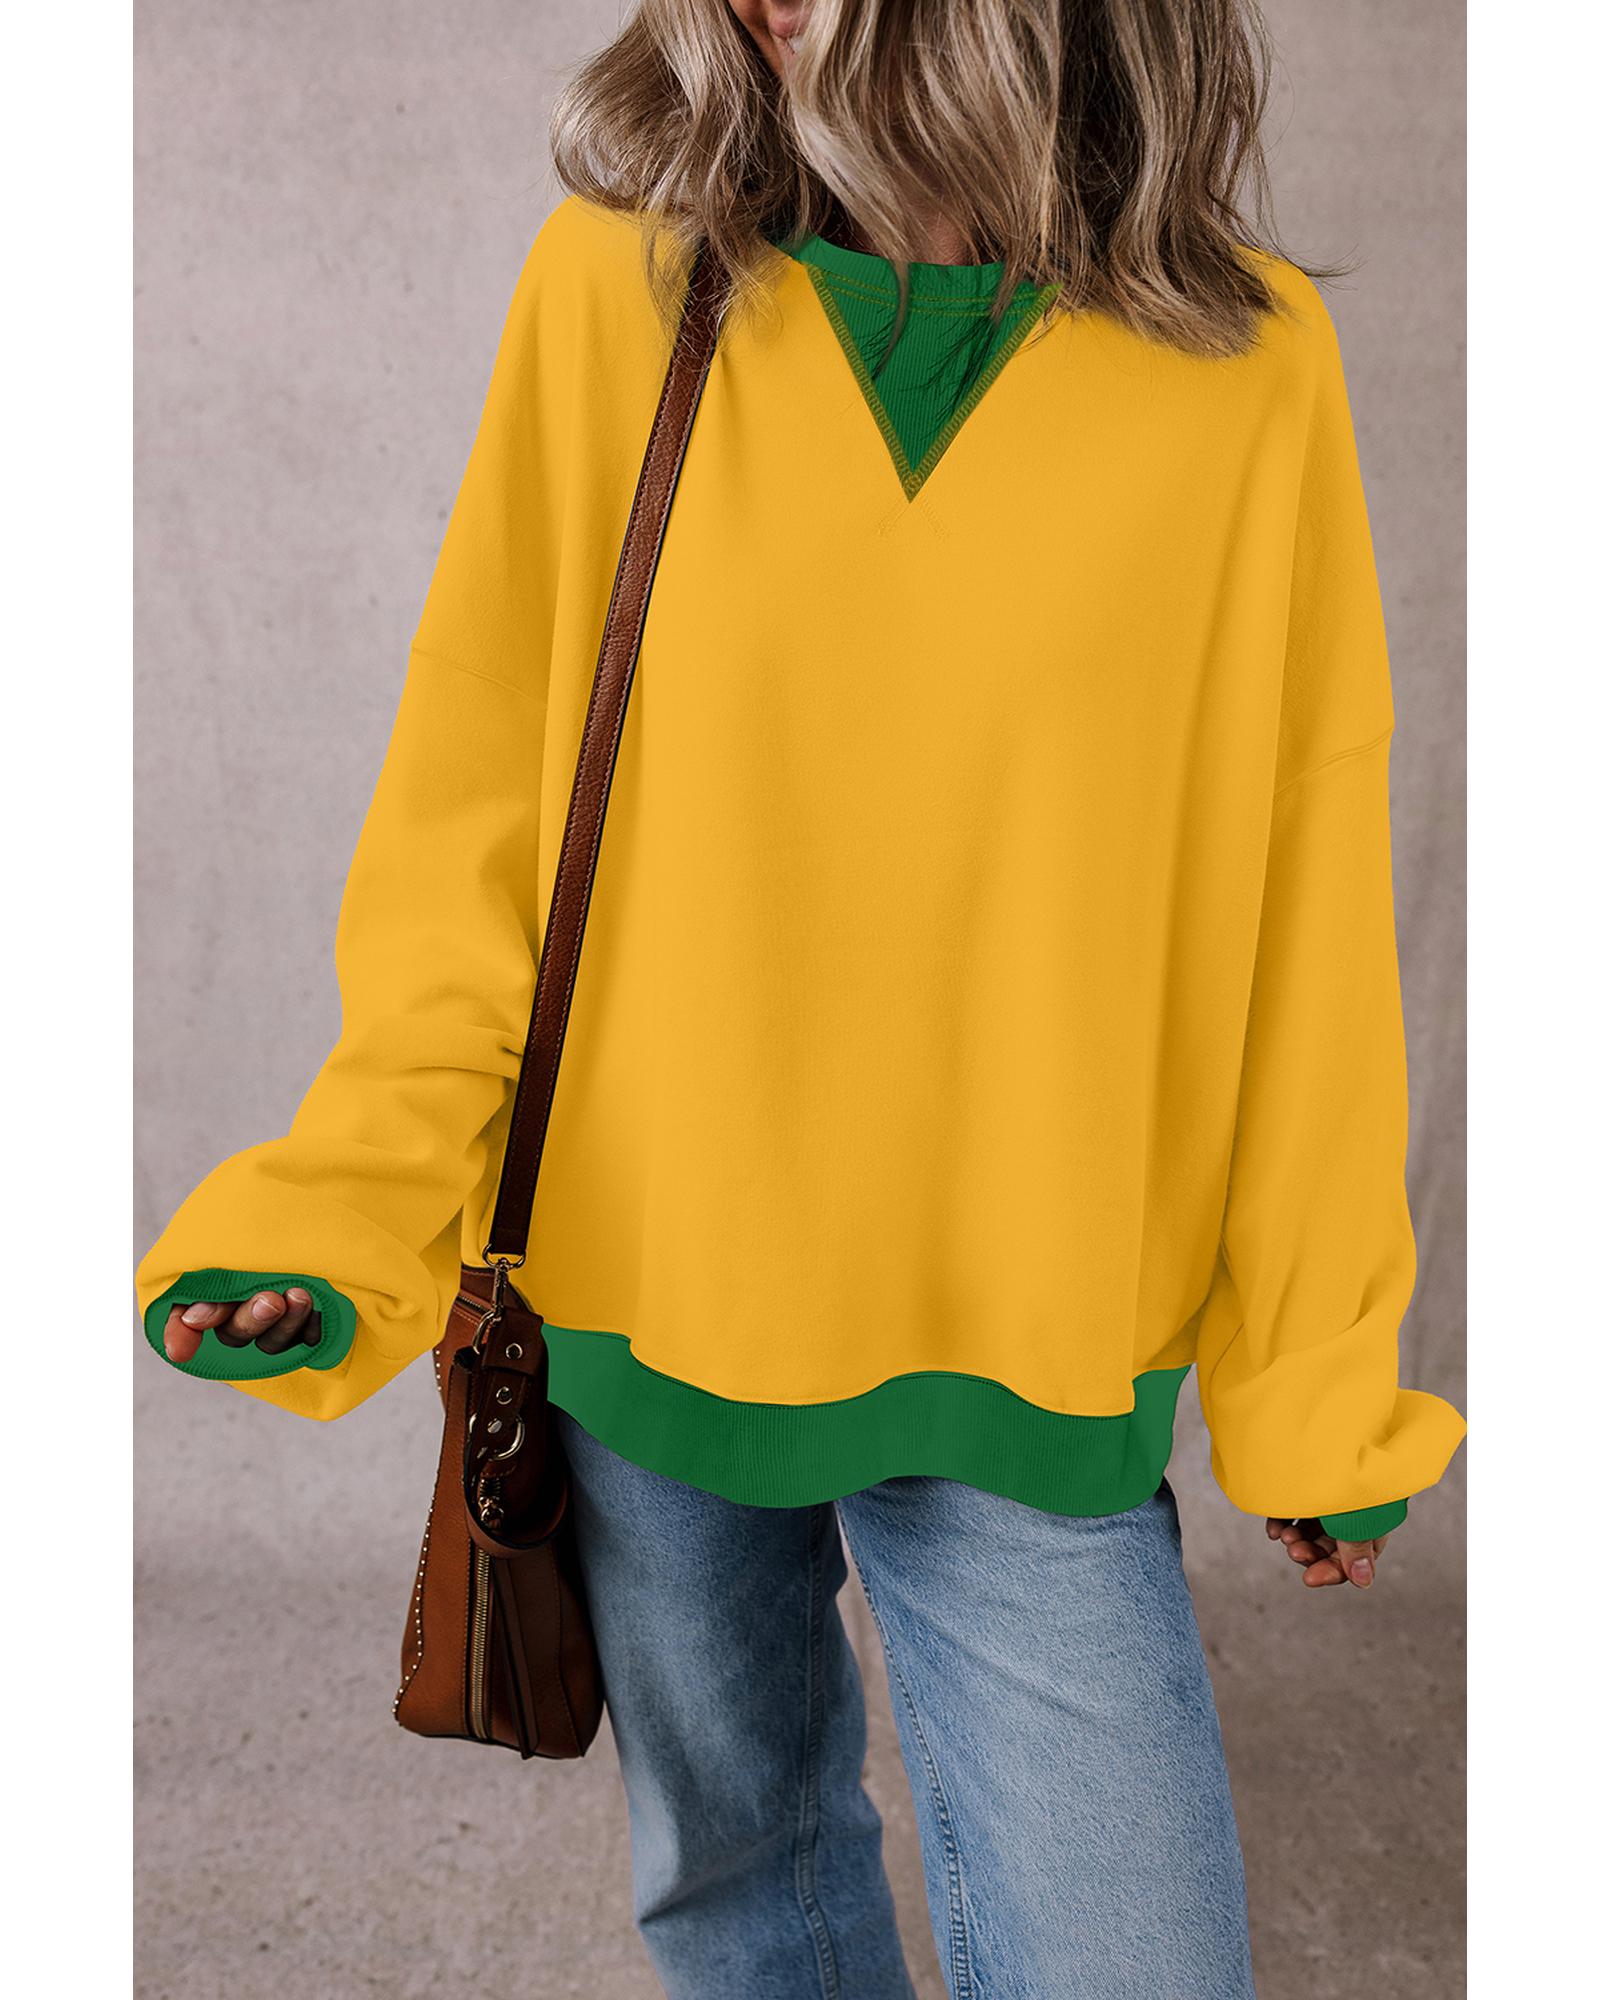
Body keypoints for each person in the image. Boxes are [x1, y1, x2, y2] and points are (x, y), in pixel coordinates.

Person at [138, 3, 1467, 1993]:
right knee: (742, 1886)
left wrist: (1310, 1380)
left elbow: (1299, 908)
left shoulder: (1243, 363)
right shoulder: (616, 291)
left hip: (1030, 1328)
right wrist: (338, 1209)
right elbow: (480, 828)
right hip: (648, 1303)